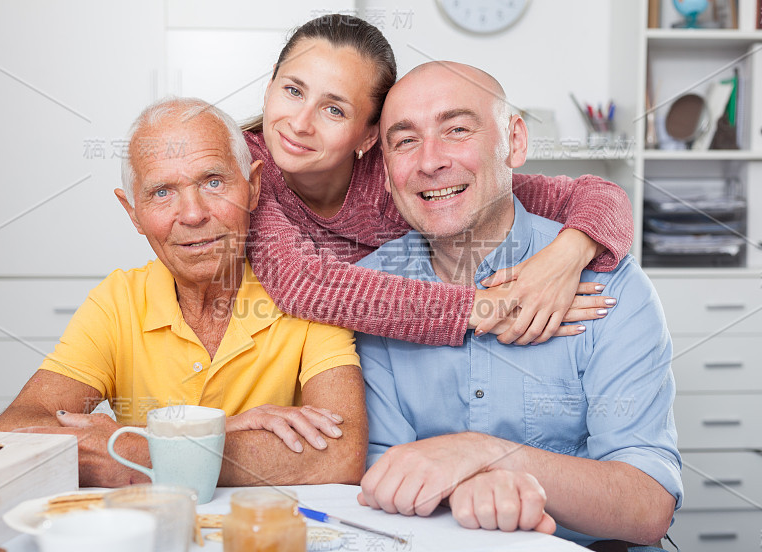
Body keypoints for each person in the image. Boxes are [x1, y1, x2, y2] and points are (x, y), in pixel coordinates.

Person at [355, 62, 682, 550]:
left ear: (516, 142)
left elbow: (648, 506)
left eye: (457, 130)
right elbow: (383, 477)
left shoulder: (611, 286)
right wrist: (472, 483)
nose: (429, 161)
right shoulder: (366, 294)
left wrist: (487, 455)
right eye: (404, 141)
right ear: (385, 171)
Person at [0, 98, 367, 489]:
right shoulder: (117, 301)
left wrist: (142, 453)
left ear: (253, 187)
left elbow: (341, 454)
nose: (192, 214)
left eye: (213, 182)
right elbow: (10, 439)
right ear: (133, 212)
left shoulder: (313, 293)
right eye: (162, 192)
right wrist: (220, 433)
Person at [242, 14, 634, 348]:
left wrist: (561, 259)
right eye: (293, 90)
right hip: (288, 352)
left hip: (383, 354)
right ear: (269, 85)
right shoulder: (243, 167)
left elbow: (599, 194)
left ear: (369, 137)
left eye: (334, 109)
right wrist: (490, 306)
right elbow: (302, 283)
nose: (299, 123)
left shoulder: (405, 169)